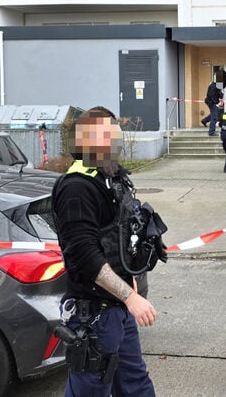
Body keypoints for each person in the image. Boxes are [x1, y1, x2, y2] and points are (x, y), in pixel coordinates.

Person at [51, 106, 168, 397]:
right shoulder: (77, 188)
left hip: (118, 312)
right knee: (90, 390)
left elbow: (118, 237)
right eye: (110, 140)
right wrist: (131, 297)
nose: (116, 147)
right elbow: (84, 255)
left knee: (136, 385)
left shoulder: (108, 180)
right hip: (95, 317)